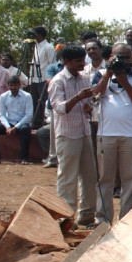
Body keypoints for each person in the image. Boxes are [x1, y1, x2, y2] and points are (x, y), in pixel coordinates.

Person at [91, 44, 132, 225]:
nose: (121, 61)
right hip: (106, 133)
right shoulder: (101, 75)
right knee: (105, 177)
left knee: (130, 177)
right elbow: (95, 94)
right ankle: (102, 219)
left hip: (131, 134)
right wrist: (108, 74)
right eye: (117, 57)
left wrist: (124, 82)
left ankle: (127, 219)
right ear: (110, 58)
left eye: (125, 57)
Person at [47, 45, 97, 227]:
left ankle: (86, 215)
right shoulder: (58, 81)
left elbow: (89, 102)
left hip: (84, 131)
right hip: (67, 134)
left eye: (83, 60)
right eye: (78, 61)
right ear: (66, 62)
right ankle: (65, 218)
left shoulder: (85, 78)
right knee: (68, 177)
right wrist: (77, 98)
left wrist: (88, 104)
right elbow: (59, 108)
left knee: (89, 176)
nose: (82, 64)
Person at [0, 75, 33, 164]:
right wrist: (7, 127)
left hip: (22, 123)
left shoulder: (27, 96)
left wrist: (16, 127)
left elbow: (29, 115)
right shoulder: (3, 96)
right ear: (8, 86)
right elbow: (1, 114)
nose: (13, 88)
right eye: (11, 85)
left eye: (15, 85)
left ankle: (24, 158)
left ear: (19, 85)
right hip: (9, 123)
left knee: (25, 130)